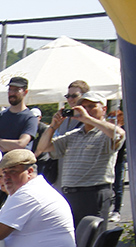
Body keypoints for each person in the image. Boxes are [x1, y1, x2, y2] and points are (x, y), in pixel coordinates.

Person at [35, 91, 124, 227]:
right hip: (70, 192)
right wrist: (53, 126)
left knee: (92, 238)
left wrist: (87, 118)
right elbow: (43, 147)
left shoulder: (105, 133)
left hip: (94, 192)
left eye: (91, 106)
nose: (86, 110)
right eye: (83, 107)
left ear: (104, 109)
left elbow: (119, 134)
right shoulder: (73, 135)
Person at [0, 77, 39, 154]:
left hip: (18, 164)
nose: (12, 93)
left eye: (16, 90)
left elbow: (21, 144)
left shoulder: (30, 118)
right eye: (10, 89)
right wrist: (3, 148)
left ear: (25, 92)